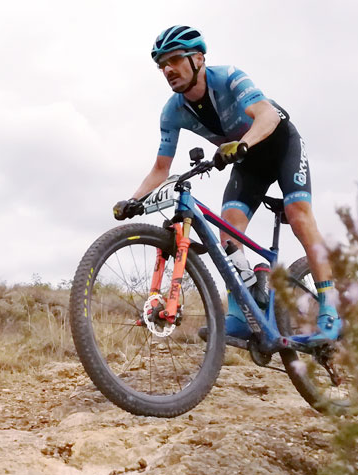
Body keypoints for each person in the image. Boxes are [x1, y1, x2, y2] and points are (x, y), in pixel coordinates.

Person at [112, 25, 341, 342]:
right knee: (228, 231)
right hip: (246, 161)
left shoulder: (229, 77)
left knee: (299, 214)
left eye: (175, 59)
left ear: (199, 59)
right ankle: (240, 312)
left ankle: (330, 306)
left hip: (280, 144)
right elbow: (160, 168)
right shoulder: (172, 112)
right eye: (161, 64)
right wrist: (133, 201)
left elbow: (267, 115)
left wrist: (243, 144)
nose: (167, 69)